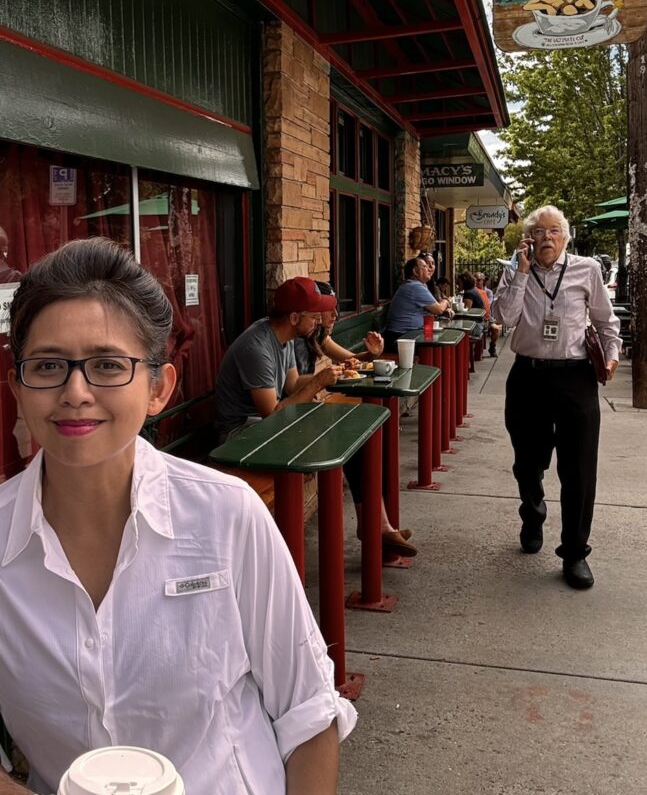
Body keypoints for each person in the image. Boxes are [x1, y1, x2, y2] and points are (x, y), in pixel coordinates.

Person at [0, 238, 355, 795]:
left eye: (107, 365)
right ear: (18, 388)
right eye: (47, 365)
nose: (75, 392)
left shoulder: (225, 516)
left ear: (159, 389)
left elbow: (308, 713)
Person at [492, 205, 620, 591]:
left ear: (565, 237)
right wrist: (521, 273)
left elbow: (605, 320)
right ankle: (532, 513)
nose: (546, 237)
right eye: (538, 231)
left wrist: (612, 356)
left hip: (575, 377)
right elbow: (504, 317)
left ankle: (575, 551)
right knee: (527, 464)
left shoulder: (587, 270)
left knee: (579, 469)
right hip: (528, 376)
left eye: (553, 231)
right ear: (527, 238)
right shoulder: (516, 269)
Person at [293, 283, 416, 561]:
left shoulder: (317, 336)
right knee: (359, 440)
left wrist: (370, 354)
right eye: (328, 310)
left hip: (305, 411)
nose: (335, 314)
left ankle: (379, 526)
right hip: (293, 417)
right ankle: (378, 527)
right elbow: (291, 388)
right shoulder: (298, 339)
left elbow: (351, 362)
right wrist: (322, 379)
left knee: (372, 434)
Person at [214, 276, 344, 442]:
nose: (318, 322)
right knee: (314, 436)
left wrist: (330, 378)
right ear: (294, 318)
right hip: (238, 431)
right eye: (314, 317)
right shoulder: (257, 349)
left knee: (326, 426)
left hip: (260, 423)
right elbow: (273, 415)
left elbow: (293, 384)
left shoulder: (284, 335)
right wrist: (317, 383)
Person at [383, 256, 451, 352]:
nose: (428, 269)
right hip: (401, 338)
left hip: (406, 335)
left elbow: (432, 309)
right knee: (441, 348)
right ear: (415, 271)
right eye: (424, 266)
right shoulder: (415, 286)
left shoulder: (414, 285)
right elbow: (439, 309)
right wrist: (446, 301)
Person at [475, 272, 501, 357]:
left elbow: (487, 305)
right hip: (476, 316)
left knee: (496, 329)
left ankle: (492, 347)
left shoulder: (488, 292)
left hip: (487, 316)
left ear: (483, 281)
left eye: (478, 280)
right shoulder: (473, 291)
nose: (476, 282)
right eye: (474, 280)